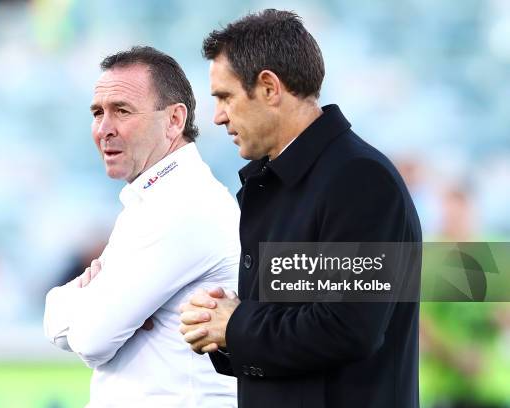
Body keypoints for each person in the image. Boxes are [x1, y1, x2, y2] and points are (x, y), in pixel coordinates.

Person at [179, 9, 422, 408]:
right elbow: (294, 324)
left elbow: (348, 328)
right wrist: (218, 330)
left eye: (225, 97)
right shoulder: (273, 182)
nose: (218, 116)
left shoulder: (359, 179)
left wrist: (235, 325)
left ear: (270, 88)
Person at [43, 46, 239, 407]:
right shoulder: (158, 199)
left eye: (122, 111)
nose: (104, 129)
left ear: (174, 120)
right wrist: (83, 301)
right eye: (97, 113)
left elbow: (91, 339)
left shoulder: (183, 204)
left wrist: (75, 299)